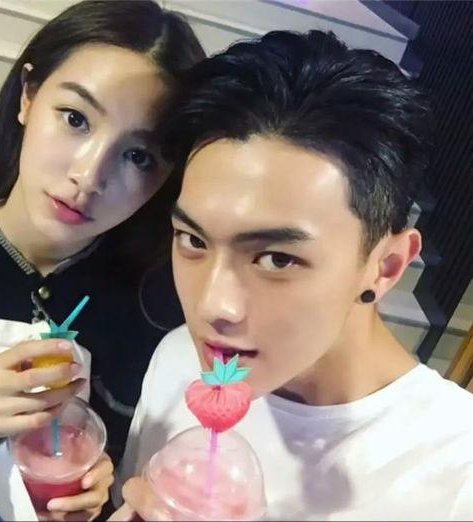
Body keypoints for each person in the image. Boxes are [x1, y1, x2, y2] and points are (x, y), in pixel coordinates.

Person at [113, 30, 473, 520]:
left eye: (277, 259)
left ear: (386, 266)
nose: (212, 306)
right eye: (194, 241)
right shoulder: (179, 360)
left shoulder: (456, 477)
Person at [0, 1, 203, 519]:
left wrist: (97, 494)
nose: (89, 175)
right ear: (28, 95)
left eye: (138, 156)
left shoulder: (159, 313)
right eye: (76, 119)